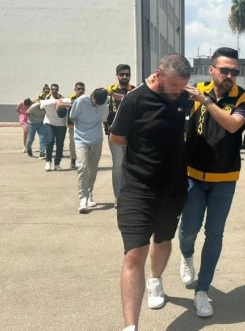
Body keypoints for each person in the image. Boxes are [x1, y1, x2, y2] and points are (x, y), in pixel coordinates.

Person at [109, 54, 192, 331]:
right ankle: (130, 326)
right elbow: (116, 136)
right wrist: (144, 155)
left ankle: (155, 280)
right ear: (158, 74)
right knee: (134, 254)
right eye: (174, 85)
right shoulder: (135, 99)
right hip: (137, 189)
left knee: (163, 239)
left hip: (173, 188)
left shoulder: (184, 98)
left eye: (182, 86)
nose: (178, 91)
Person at [178, 47, 245, 317]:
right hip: (193, 176)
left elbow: (233, 125)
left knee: (215, 233)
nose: (230, 75)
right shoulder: (195, 91)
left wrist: (207, 102)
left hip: (224, 178)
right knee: (189, 230)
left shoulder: (243, 98)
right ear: (212, 70)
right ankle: (186, 255)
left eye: (234, 71)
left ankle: (202, 291)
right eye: (224, 70)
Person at [70, 88, 109, 213]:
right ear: (92, 96)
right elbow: (72, 117)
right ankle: (82, 199)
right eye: (95, 102)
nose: (97, 105)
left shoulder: (105, 100)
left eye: (99, 104)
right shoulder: (80, 101)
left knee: (93, 168)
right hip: (80, 139)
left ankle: (89, 193)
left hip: (96, 138)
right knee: (82, 167)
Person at [106, 64, 134, 206]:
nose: (124, 77)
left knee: (129, 164)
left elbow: (126, 98)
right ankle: (118, 196)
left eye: (127, 74)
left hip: (132, 134)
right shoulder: (109, 90)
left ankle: (129, 193)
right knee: (118, 163)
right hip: (115, 133)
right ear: (117, 75)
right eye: (121, 74)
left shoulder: (134, 90)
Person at [39, 84, 70, 171]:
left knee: (60, 144)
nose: (54, 91)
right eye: (52, 89)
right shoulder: (47, 98)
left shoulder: (62, 98)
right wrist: (56, 102)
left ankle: (57, 163)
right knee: (50, 141)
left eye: (56, 89)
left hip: (61, 125)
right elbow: (41, 104)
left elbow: (69, 101)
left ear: (58, 90)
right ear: (51, 90)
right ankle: (48, 161)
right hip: (49, 123)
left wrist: (61, 102)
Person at [67, 82, 86, 169]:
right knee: (72, 143)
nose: (81, 90)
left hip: (84, 125)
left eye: (82, 89)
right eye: (79, 89)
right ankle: (73, 159)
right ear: (75, 90)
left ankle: (83, 161)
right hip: (72, 124)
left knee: (84, 144)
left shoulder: (86, 98)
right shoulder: (71, 98)